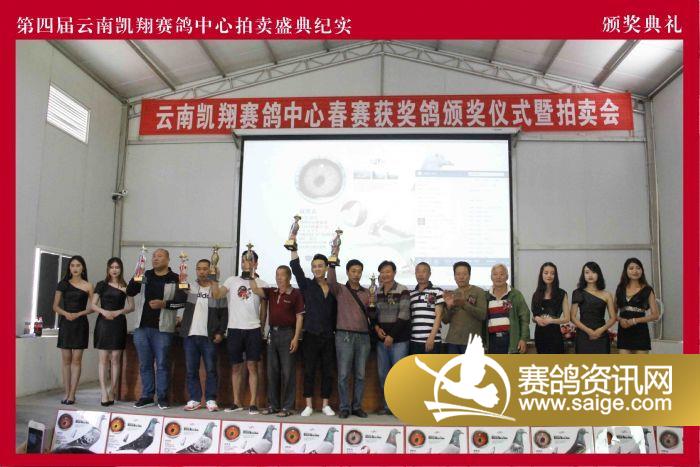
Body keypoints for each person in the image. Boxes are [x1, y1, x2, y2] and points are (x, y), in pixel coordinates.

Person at [127, 248, 187, 409]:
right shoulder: (145, 275)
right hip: (142, 328)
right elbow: (130, 291)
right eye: (153, 256)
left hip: (163, 329)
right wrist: (136, 275)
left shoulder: (176, 278)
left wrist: (164, 304)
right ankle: (147, 396)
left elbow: (183, 301)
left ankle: (162, 397)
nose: (155, 258)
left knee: (162, 364)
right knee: (145, 364)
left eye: (159, 256)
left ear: (167, 260)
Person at [210, 249, 268, 415]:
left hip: (253, 328)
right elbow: (216, 295)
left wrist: (262, 328)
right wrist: (214, 278)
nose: (245, 263)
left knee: (252, 366)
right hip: (234, 328)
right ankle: (236, 402)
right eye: (243, 261)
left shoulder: (262, 283)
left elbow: (264, 308)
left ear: (256, 263)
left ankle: (253, 403)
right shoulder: (231, 280)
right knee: (236, 366)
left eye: (249, 260)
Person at [249, 265, 304, 417]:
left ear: (289, 277)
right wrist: (251, 274)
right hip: (273, 334)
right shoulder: (271, 292)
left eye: (282, 275)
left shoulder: (296, 294)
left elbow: (300, 317)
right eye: (277, 274)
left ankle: (287, 407)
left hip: (288, 334)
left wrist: (296, 338)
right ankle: (273, 405)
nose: (279, 278)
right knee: (272, 371)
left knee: (288, 372)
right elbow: (254, 289)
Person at [290, 250, 338, 417]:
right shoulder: (307, 285)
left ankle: (325, 404)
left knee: (328, 371)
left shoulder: (334, 287)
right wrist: (293, 248)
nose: (317, 269)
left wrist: (335, 252)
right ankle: (308, 405)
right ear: (312, 269)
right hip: (310, 334)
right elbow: (296, 268)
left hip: (329, 335)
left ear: (326, 268)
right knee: (309, 370)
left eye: (320, 266)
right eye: (314, 266)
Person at [179, 259, 227, 412]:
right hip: (190, 336)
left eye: (205, 269)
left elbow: (224, 314)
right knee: (191, 370)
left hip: (209, 337)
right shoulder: (191, 288)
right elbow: (180, 289)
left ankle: (211, 399)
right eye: (199, 269)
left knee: (211, 369)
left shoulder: (217, 291)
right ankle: (194, 399)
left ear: (210, 271)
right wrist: (182, 274)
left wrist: (220, 332)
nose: (202, 272)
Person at [327, 258, 372, 419]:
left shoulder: (367, 292)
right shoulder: (340, 289)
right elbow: (330, 280)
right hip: (344, 336)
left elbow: (372, 313)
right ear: (347, 272)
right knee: (344, 375)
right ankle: (344, 407)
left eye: (359, 271)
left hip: (364, 337)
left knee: (360, 375)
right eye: (353, 271)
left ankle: (357, 406)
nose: (356, 274)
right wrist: (332, 262)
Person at [91, 257, 134, 406]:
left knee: (115, 358)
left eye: (117, 267)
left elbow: (131, 306)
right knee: (103, 359)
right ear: (108, 269)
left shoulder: (125, 286)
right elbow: (93, 305)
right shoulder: (101, 285)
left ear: (121, 269)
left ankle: (112, 390)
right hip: (103, 322)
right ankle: (103, 391)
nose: (114, 270)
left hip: (118, 322)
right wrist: (104, 311)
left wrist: (118, 312)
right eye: (112, 267)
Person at [53, 255, 94, 405]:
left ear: (83, 268)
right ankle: (66, 393)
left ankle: (72, 394)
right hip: (66, 323)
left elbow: (93, 307)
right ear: (69, 268)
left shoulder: (88, 285)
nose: (75, 268)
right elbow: (55, 306)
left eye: (78, 265)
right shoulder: (62, 284)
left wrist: (79, 313)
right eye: (72, 265)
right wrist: (66, 314)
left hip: (80, 324)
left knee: (76, 360)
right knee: (66, 360)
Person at [373, 260, 410, 416]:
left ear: (394, 273)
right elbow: (373, 314)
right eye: (382, 272)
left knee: (398, 375)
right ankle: (388, 405)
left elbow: (404, 314)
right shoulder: (376, 292)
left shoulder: (403, 290)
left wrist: (392, 336)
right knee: (383, 374)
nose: (385, 275)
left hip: (399, 340)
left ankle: (399, 407)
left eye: (388, 271)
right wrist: (377, 328)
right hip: (381, 340)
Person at [614, 258, 659, 354]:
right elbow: (612, 313)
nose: (635, 271)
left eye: (638, 268)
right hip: (624, 332)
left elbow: (655, 315)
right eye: (631, 268)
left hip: (640, 332)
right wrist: (620, 319)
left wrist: (634, 320)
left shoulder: (647, 289)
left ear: (642, 270)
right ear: (626, 271)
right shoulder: (620, 289)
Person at [571, 261, 617, 354]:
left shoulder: (607, 294)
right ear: (583, 275)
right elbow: (572, 317)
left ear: (598, 274)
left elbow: (613, 318)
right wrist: (588, 331)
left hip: (601, 334)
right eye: (587, 272)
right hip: (583, 334)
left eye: (593, 272)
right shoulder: (578, 292)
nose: (590, 275)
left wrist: (600, 330)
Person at [442, 261, 487, 354]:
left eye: (464, 274)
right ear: (454, 276)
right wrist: (448, 307)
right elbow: (445, 320)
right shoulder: (452, 294)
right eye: (458, 274)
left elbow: (483, 315)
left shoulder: (479, 292)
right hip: (453, 341)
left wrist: (464, 304)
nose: (461, 277)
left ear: (469, 276)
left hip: (472, 342)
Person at [484, 264, 530, 354]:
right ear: (491, 277)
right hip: (492, 341)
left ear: (507, 277)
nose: (498, 277)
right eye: (495, 274)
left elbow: (524, 318)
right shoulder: (486, 296)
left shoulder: (515, 295)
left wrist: (523, 339)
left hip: (511, 340)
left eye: (502, 274)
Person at [530, 262, 570, 354]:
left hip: (555, 334)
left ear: (555, 276)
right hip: (540, 335)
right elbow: (534, 316)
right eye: (546, 273)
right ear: (541, 275)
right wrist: (536, 318)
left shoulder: (562, 294)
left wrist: (551, 321)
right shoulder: (536, 294)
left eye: (552, 273)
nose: (549, 275)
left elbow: (567, 318)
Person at [409, 262, 444, 355]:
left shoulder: (437, 291)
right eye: (418, 271)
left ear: (429, 274)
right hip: (414, 340)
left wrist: (431, 337)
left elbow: (439, 316)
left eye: (424, 271)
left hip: (432, 340)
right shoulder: (411, 294)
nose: (420, 274)